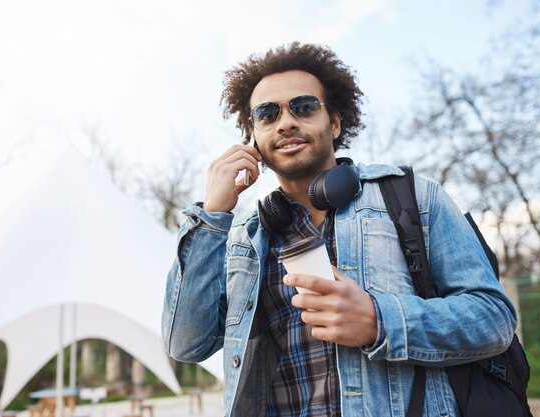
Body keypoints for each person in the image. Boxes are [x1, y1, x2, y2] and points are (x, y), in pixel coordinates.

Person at [161, 42, 517, 417]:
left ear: (335, 122)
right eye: (267, 114)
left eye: (303, 107)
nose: (285, 122)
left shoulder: (415, 198)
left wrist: (380, 321)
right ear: (253, 136)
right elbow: (186, 344)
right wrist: (212, 215)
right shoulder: (243, 243)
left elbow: (494, 319)